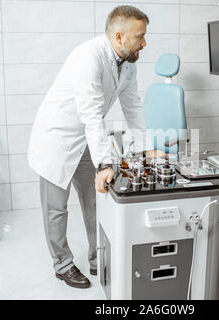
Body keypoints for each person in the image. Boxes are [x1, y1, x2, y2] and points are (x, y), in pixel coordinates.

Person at [27, 5, 164, 289]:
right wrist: (105, 163)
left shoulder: (128, 63)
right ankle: (62, 264)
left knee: (94, 200)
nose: (144, 42)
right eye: (140, 36)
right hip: (58, 139)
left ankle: (96, 256)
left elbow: (133, 107)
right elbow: (91, 113)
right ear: (119, 36)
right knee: (56, 209)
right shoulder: (88, 57)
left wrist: (145, 147)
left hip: (86, 139)